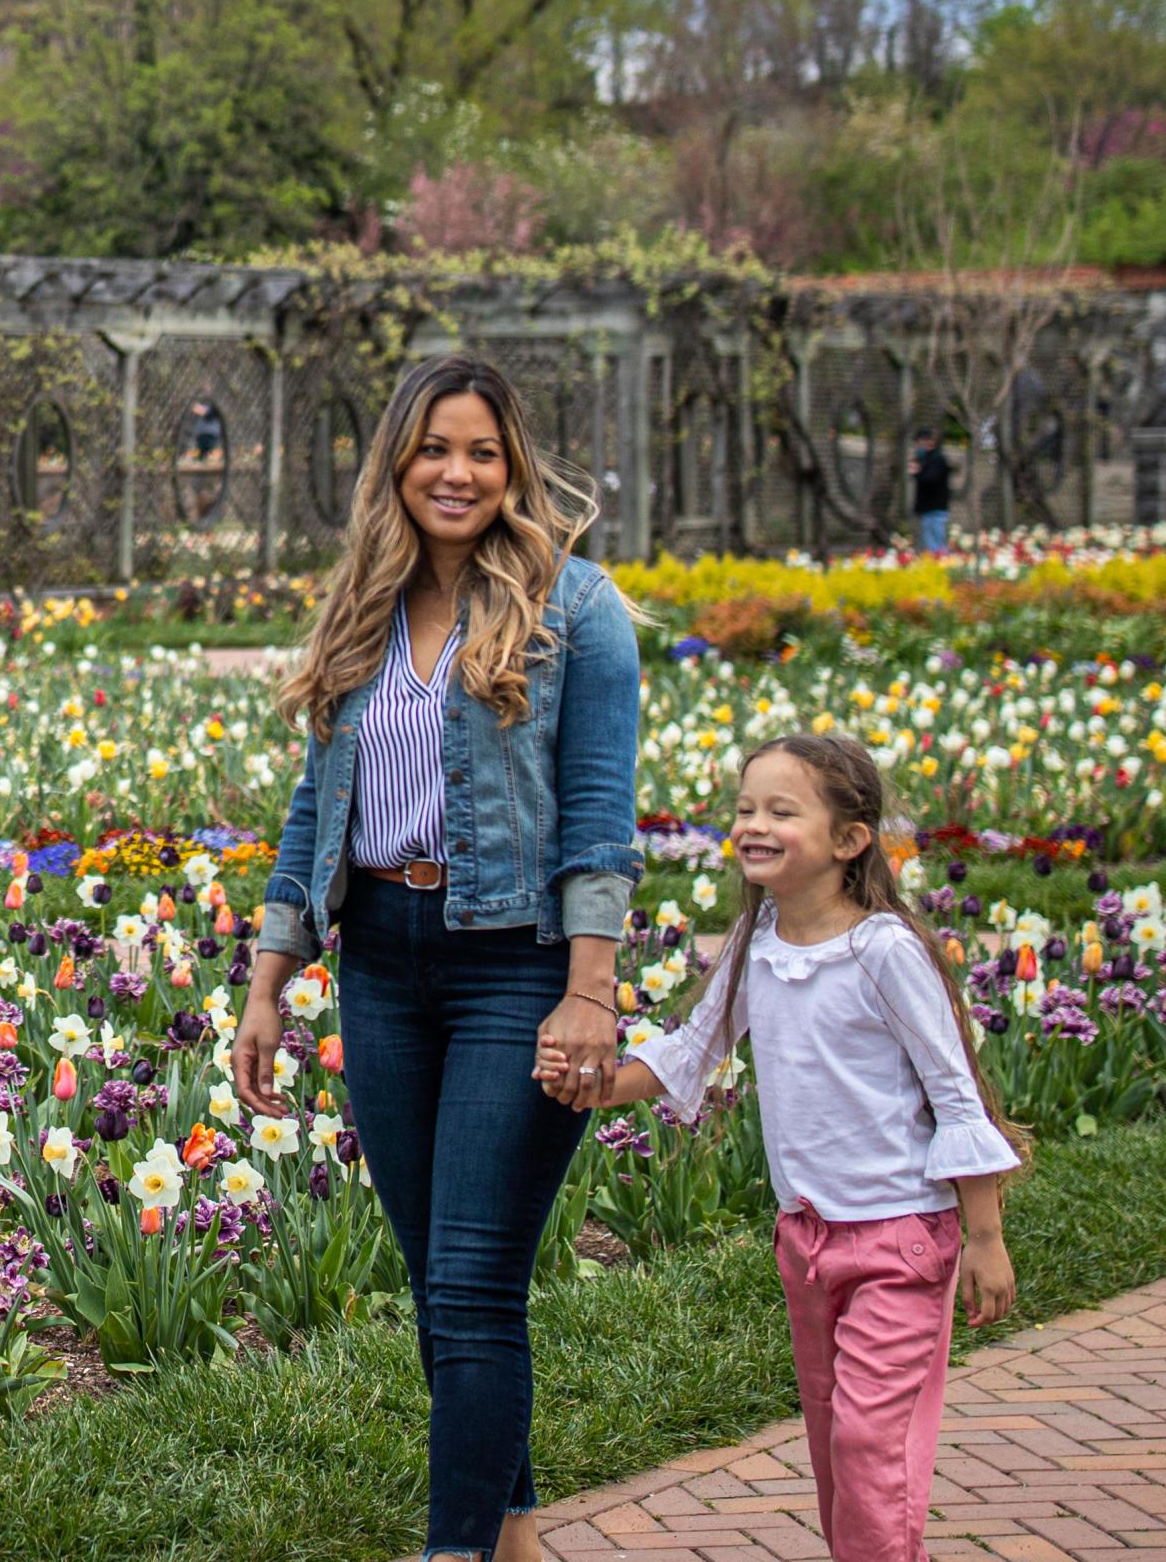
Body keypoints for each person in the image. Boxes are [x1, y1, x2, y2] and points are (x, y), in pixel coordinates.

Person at [233, 352, 641, 1562]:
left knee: (469, 1283)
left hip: (514, 963)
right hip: (385, 967)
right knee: (444, 1284)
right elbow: (319, 811)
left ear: (511, 465)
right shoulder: (362, 601)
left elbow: (600, 812)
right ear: (396, 463)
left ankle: (450, 1549)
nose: (454, 472)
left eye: (479, 450)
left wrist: (588, 989)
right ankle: (511, 1536)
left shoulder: (579, 605)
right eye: (432, 448)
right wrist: (269, 979)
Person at [551, 733, 1024, 1562]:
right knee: (833, 1443)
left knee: (870, 1448)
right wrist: (596, 1085)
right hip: (805, 1241)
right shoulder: (755, 941)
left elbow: (956, 1095)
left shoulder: (883, 951)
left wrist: (983, 1239)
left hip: (902, 1238)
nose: (753, 826)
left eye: (780, 810)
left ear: (850, 840)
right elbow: (690, 1052)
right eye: (744, 809)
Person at [906, 430, 953, 553]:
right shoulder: (925, 459)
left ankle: (940, 564)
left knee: (936, 543)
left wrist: (917, 473)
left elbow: (930, 479)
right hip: (927, 509)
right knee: (927, 542)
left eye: (919, 443)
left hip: (935, 508)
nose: (917, 446)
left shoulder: (937, 460)